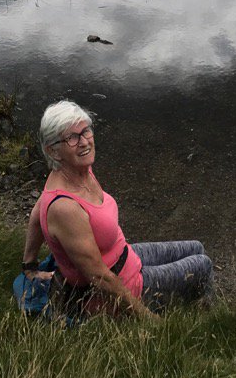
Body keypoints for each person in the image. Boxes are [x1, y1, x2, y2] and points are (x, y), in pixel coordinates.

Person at [20, 100, 213, 318]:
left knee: (196, 247)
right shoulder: (64, 207)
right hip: (118, 289)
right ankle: (204, 322)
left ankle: (192, 308)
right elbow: (98, 277)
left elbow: (37, 211)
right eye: (72, 138)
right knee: (202, 265)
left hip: (126, 257)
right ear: (53, 151)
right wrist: (148, 318)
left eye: (85, 131)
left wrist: (29, 264)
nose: (84, 142)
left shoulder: (76, 169)